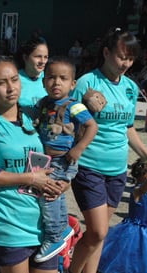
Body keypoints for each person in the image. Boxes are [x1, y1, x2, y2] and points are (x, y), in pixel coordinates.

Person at [68, 28, 147, 273]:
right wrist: (81, 104)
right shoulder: (88, 82)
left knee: (101, 233)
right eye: (121, 57)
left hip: (117, 169)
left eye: (130, 59)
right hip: (89, 165)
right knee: (98, 230)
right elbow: (67, 118)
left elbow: (128, 128)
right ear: (106, 52)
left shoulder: (130, 87)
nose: (125, 63)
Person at [0, 55, 65, 273]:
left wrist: (59, 183)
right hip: (8, 224)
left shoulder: (35, 118)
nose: (11, 88)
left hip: (44, 224)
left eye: (14, 79)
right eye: (2, 83)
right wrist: (31, 178)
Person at [33, 56, 98, 262]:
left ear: (73, 83)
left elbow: (91, 126)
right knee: (56, 195)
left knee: (49, 194)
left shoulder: (73, 106)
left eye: (63, 78)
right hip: (46, 159)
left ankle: (54, 236)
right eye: (51, 78)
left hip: (63, 159)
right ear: (44, 81)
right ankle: (61, 229)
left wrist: (79, 148)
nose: (56, 82)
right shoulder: (44, 103)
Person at [98, 158, 147, 273]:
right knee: (132, 253)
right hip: (135, 230)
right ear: (141, 176)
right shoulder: (138, 190)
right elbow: (145, 187)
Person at [14, 37, 49, 107]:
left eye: (46, 57)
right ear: (25, 57)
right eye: (38, 56)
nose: (42, 61)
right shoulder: (14, 79)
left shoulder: (50, 79)